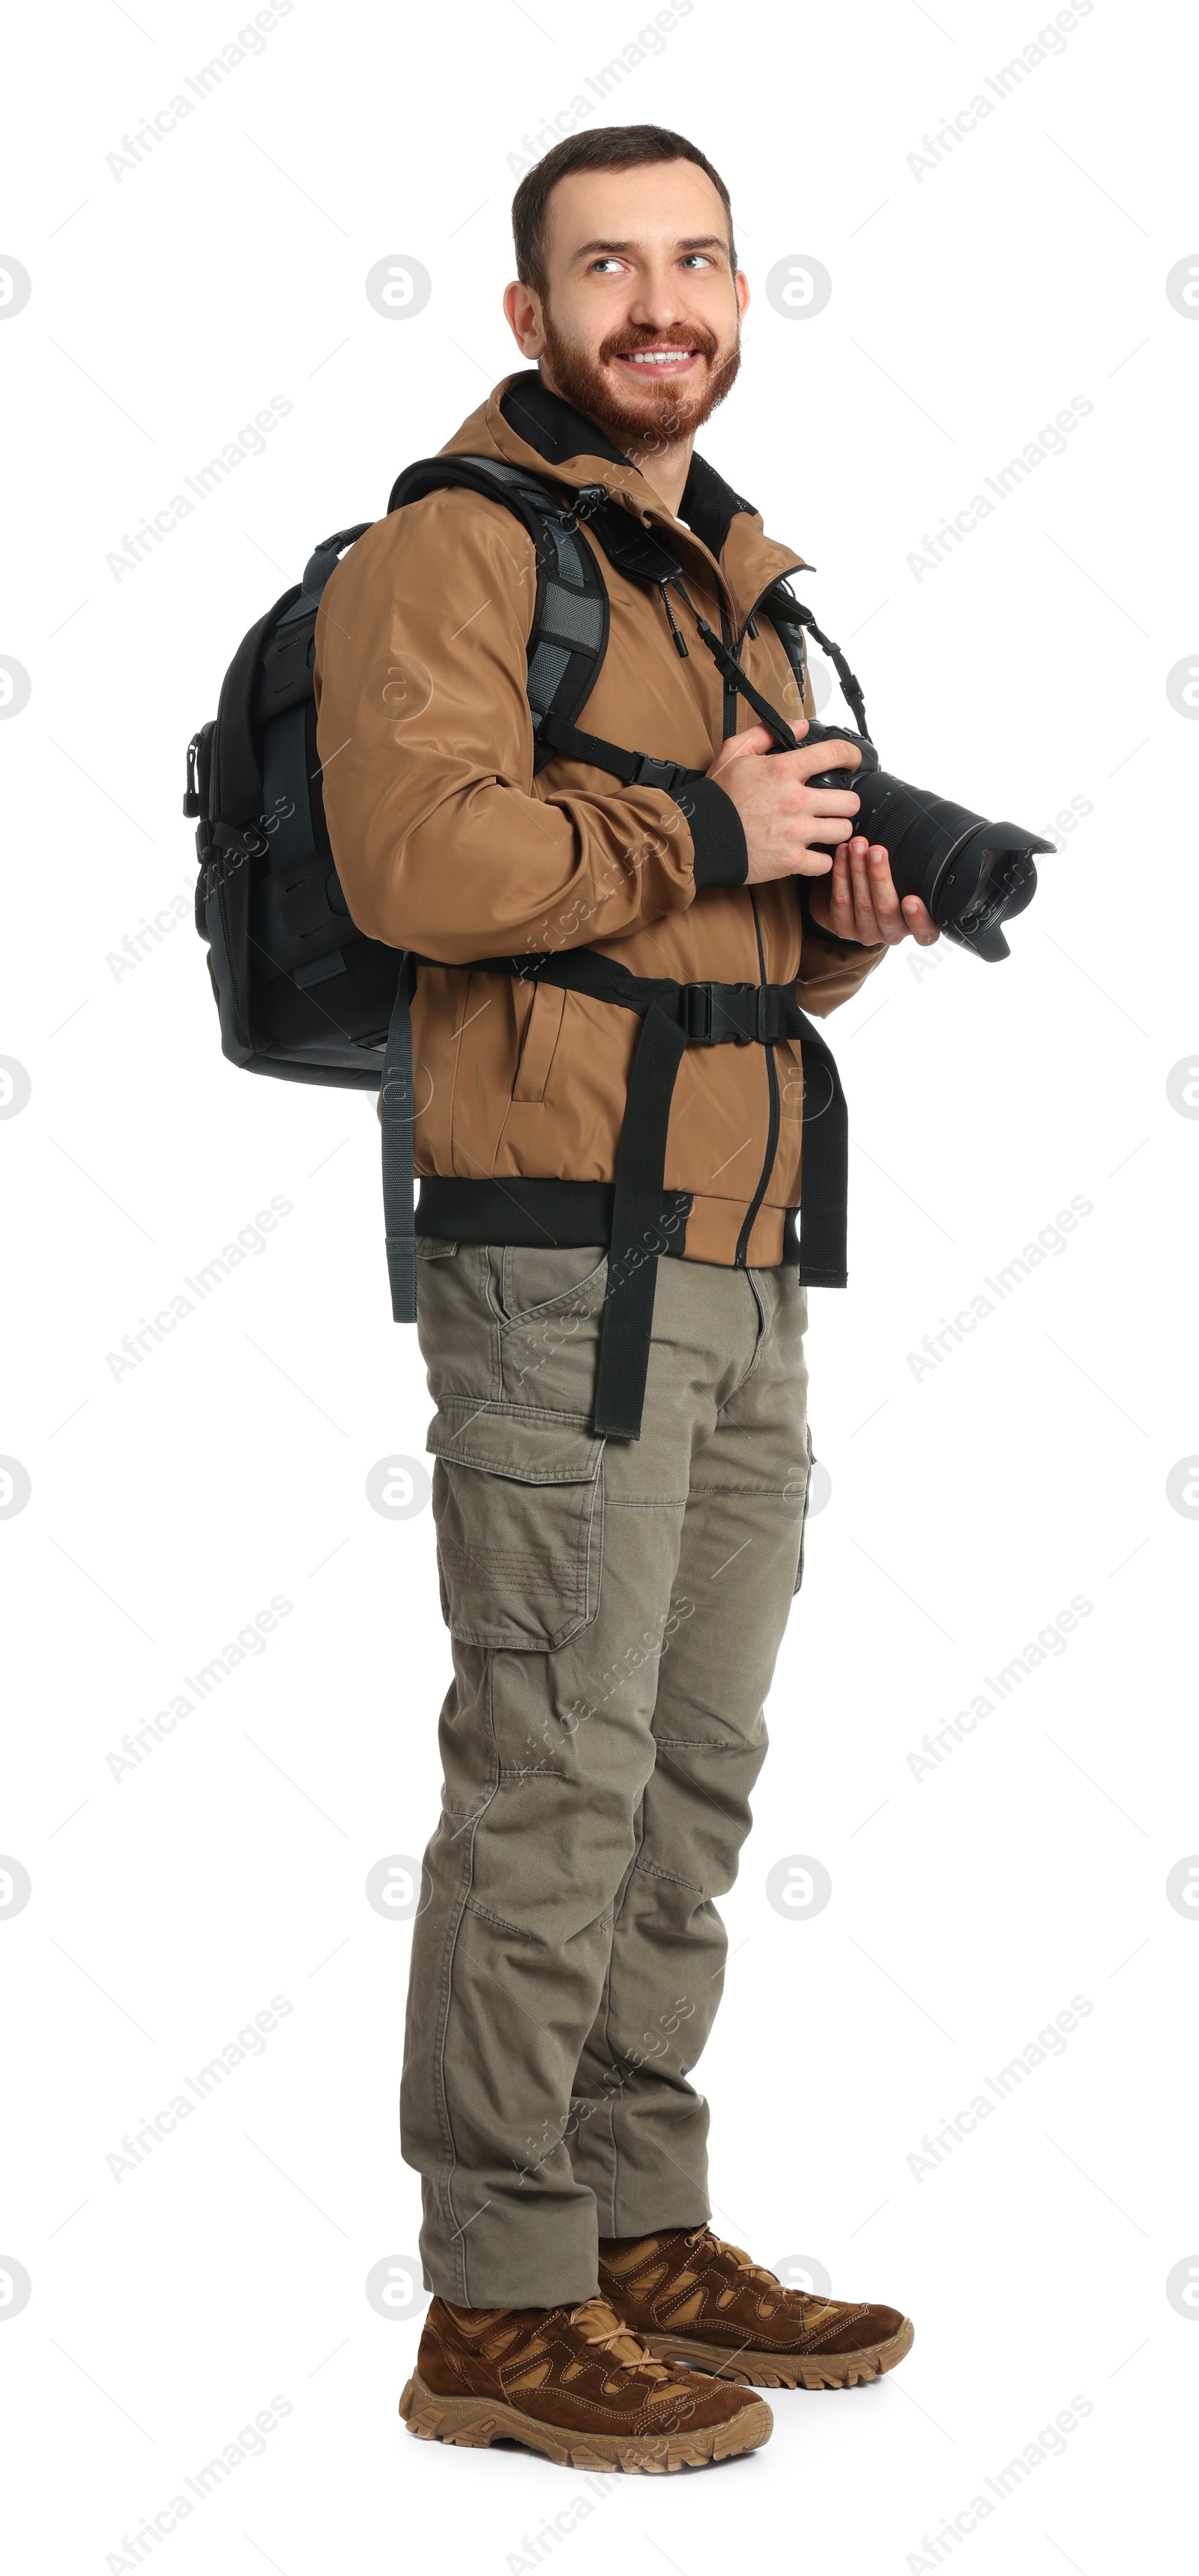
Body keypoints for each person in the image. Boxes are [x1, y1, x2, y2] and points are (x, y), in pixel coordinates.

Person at [315, 123, 936, 2475]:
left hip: (743, 1242)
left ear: (741, 294)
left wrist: (831, 926)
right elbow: (418, 856)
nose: (657, 299)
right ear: (529, 317)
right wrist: (712, 829)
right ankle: (496, 2295)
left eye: (694, 259)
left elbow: (720, 941)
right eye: (606, 265)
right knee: (553, 1774)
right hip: (554, 1247)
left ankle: (635, 2221)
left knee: (685, 1772)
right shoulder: (453, 553)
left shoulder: (726, 589)